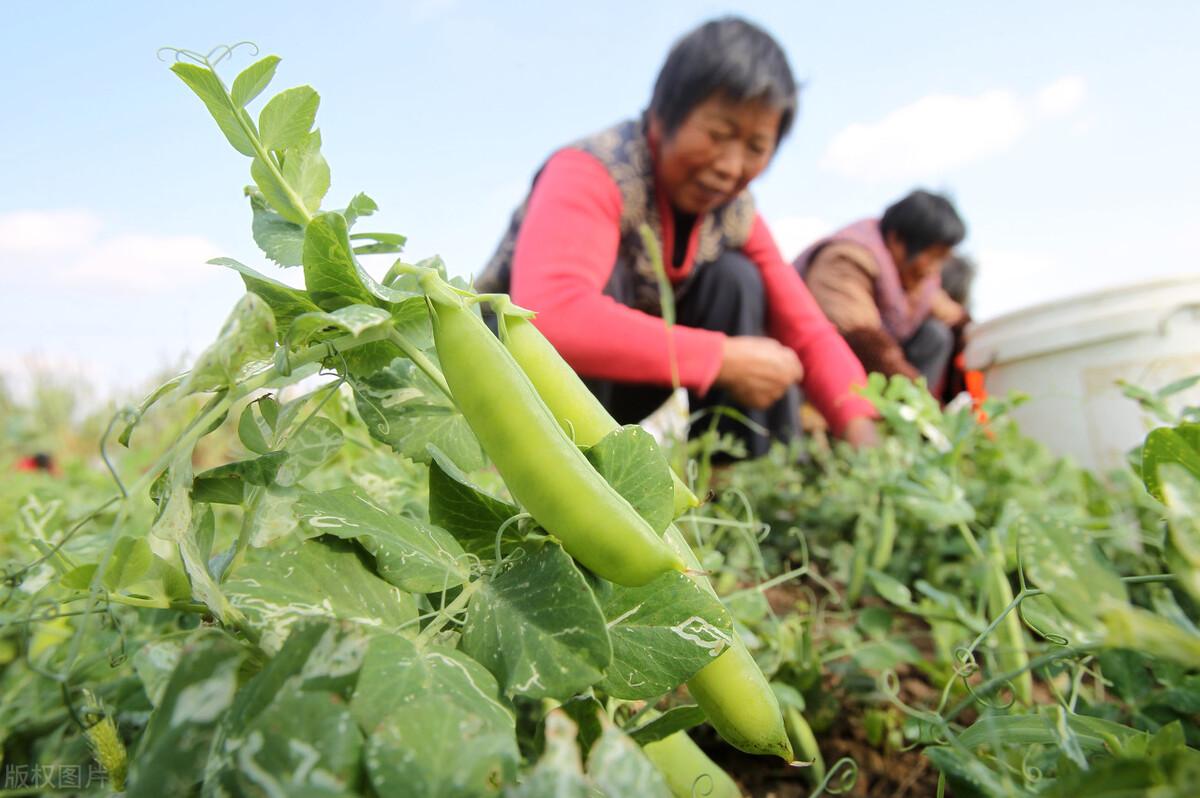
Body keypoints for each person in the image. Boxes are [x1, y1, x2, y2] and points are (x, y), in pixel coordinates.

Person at [476, 17, 877, 457]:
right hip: (511, 382)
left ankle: (735, 486)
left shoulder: (734, 212)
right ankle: (552, 469)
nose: (730, 165)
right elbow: (552, 313)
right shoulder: (592, 170)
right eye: (718, 134)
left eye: (756, 148)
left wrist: (866, 432)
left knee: (737, 279)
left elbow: (807, 330)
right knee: (605, 279)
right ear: (664, 116)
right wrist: (720, 358)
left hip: (615, 391)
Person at [795, 190, 969, 395]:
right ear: (897, 240)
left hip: (880, 374)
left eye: (942, 259)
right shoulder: (846, 259)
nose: (935, 268)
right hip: (820, 372)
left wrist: (970, 332)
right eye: (933, 256)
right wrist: (917, 397)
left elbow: (949, 312)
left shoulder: (917, 280)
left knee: (936, 335)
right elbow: (862, 342)